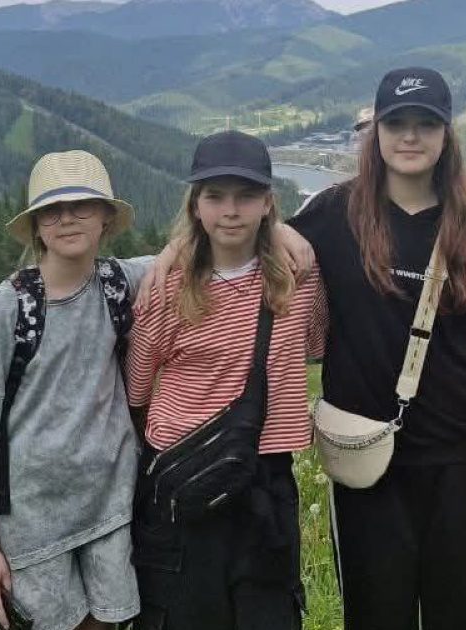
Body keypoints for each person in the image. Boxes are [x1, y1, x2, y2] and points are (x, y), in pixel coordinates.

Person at [287, 67, 466, 630]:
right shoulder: (332, 214)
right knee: (376, 613)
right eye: (397, 123)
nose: (410, 136)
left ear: (446, 135)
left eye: (425, 124)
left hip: (459, 453)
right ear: (377, 133)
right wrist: (166, 262)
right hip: (365, 454)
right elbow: (256, 247)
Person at [124, 130, 327, 630]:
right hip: (183, 481)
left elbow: (320, 343)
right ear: (195, 205)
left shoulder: (300, 277)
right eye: (215, 196)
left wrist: (292, 238)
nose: (230, 211)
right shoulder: (165, 285)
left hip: (264, 478)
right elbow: (137, 386)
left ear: (268, 203)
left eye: (246, 196)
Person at [0, 150, 149, 630]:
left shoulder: (121, 283)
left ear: (105, 217)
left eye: (82, 205)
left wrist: (282, 232)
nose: (67, 218)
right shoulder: (9, 306)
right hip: (30, 524)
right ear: (36, 225)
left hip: (111, 510)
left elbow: (201, 253)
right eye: (51, 209)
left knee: (104, 622)